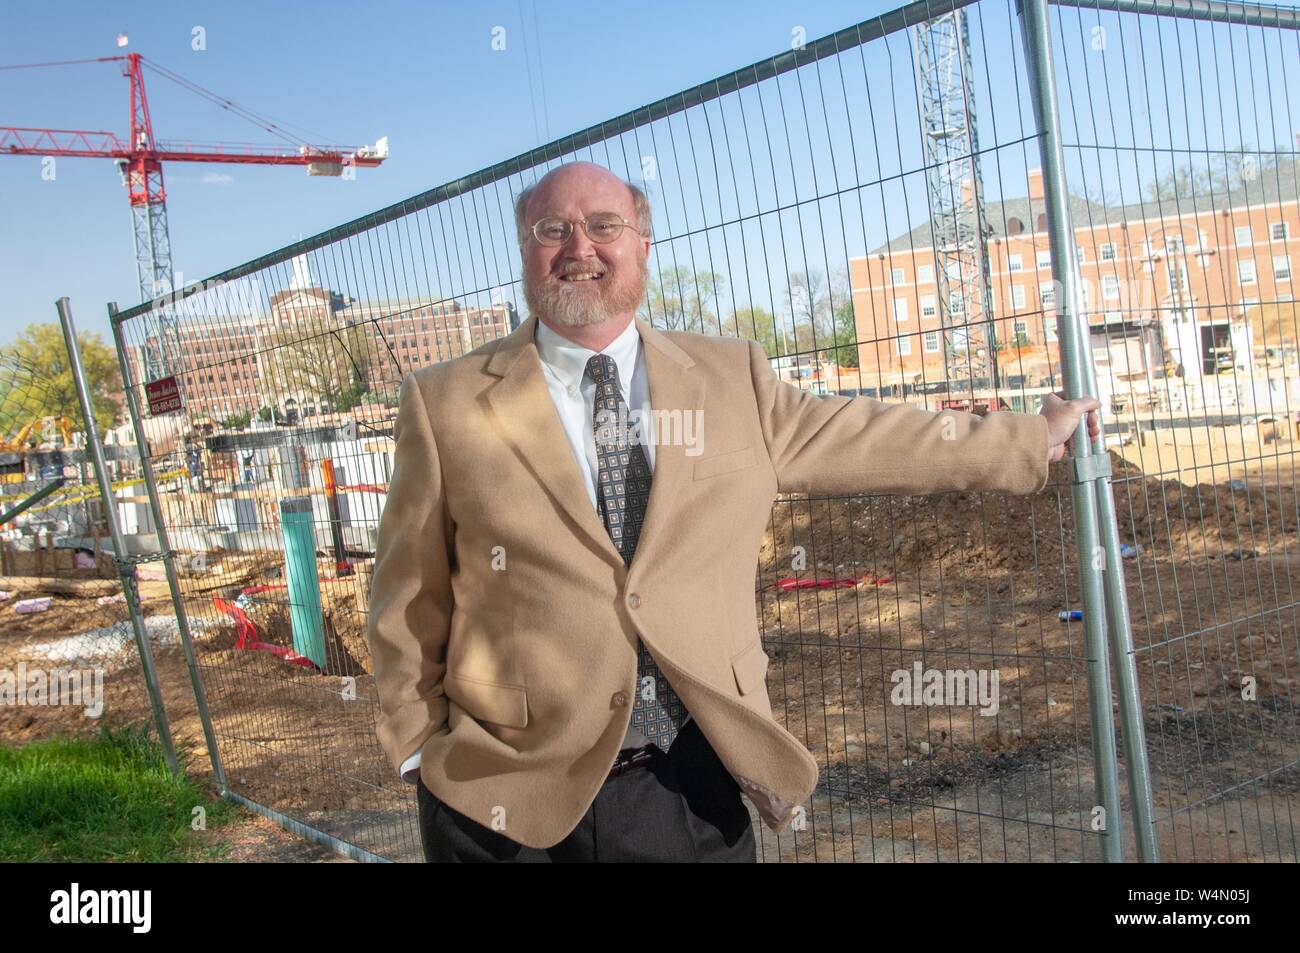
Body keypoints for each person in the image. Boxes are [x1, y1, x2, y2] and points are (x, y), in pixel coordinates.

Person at [366, 161, 1100, 863]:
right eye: (551, 229)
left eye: (603, 225)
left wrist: (1028, 437)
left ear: (643, 245)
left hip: (687, 782)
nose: (578, 248)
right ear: (525, 248)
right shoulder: (445, 401)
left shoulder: (729, 377)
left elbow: (865, 436)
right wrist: (414, 746)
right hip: (502, 797)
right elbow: (408, 594)